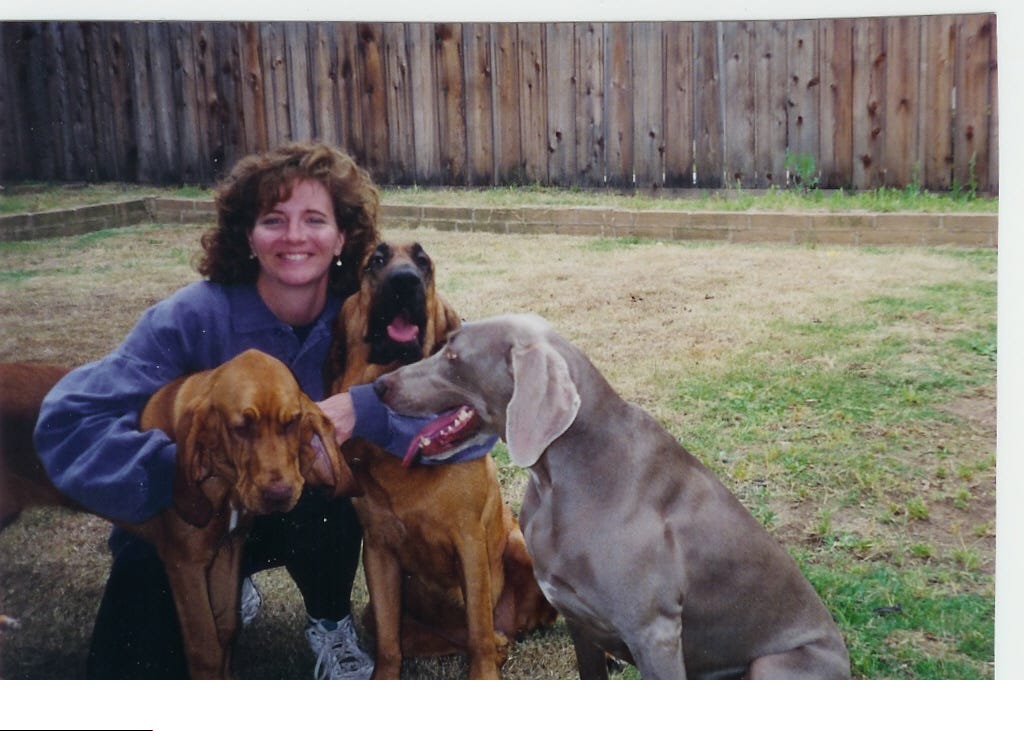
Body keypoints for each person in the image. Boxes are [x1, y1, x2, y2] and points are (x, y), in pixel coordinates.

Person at [33, 141, 494, 680]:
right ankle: (225, 582)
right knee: (129, 671)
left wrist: (363, 410)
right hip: (186, 515)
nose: (295, 236)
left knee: (338, 487)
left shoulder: (362, 317)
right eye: (273, 220)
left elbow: (473, 423)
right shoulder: (192, 316)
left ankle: (329, 621)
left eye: (315, 219)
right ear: (247, 236)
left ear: (342, 236)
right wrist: (177, 472)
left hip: (295, 506)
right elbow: (67, 420)